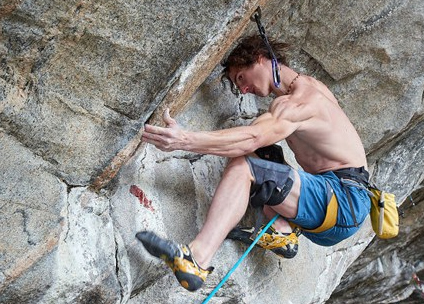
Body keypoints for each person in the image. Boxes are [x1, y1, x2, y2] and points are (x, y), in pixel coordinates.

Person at [135, 34, 371, 292]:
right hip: (338, 202)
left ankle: (196, 259)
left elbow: (250, 139)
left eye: (241, 78)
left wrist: (184, 140)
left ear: (260, 59)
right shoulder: (309, 87)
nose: (243, 89)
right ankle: (282, 231)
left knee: (246, 165)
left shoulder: (300, 102)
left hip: (344, 201)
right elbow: (253, 139)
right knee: (260, 155)